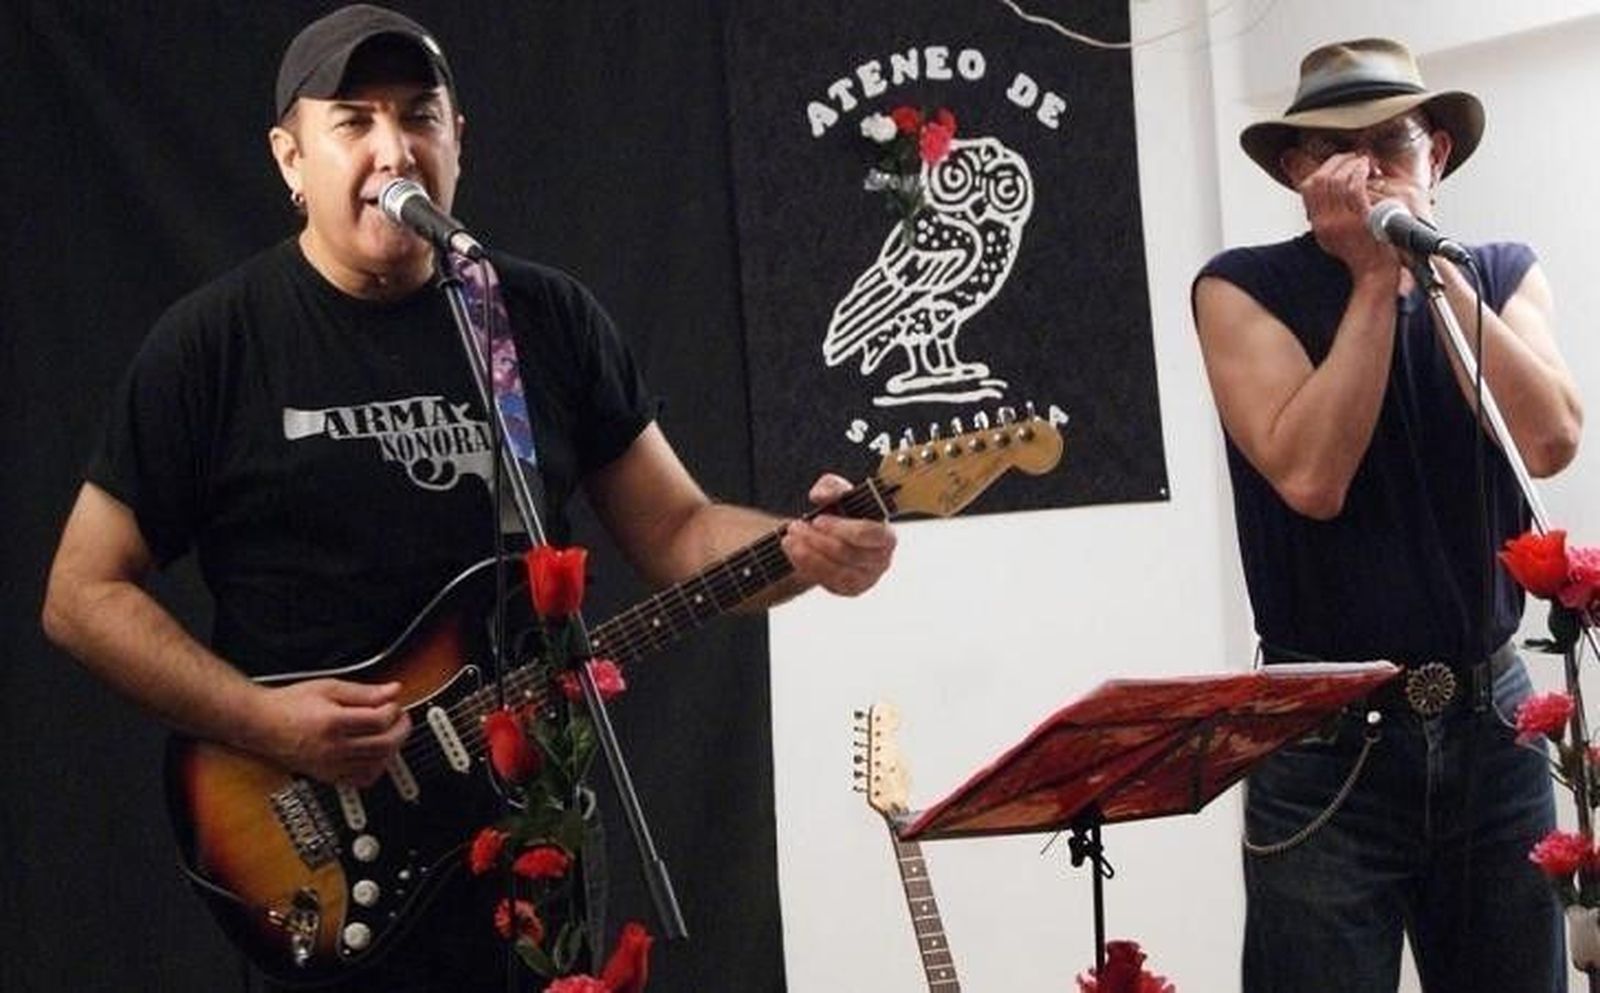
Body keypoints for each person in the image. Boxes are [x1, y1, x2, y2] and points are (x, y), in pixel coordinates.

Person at [38, 6, 895, 993]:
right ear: (290, 158)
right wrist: (259, 721)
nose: (391, 149)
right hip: (327, 854)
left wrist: (803, 550)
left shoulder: (534, 319)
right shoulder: (213, 347)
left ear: (457, 141)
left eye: (418, 117)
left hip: (535, 850)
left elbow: (681, 531)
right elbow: (81, 595)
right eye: (352, 121)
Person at [1192, 38, 1583, 993]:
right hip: (1328, 742)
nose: (1366, 172)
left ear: (1437, 154)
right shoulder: (1242, 288)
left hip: (1494, 725)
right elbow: (1312, 478)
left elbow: (1549, 439)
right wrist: (1370, 279)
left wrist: (1424, 261)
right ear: (1297, 172)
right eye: (1336, 149)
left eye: (1391, 144)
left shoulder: (1496, 269)